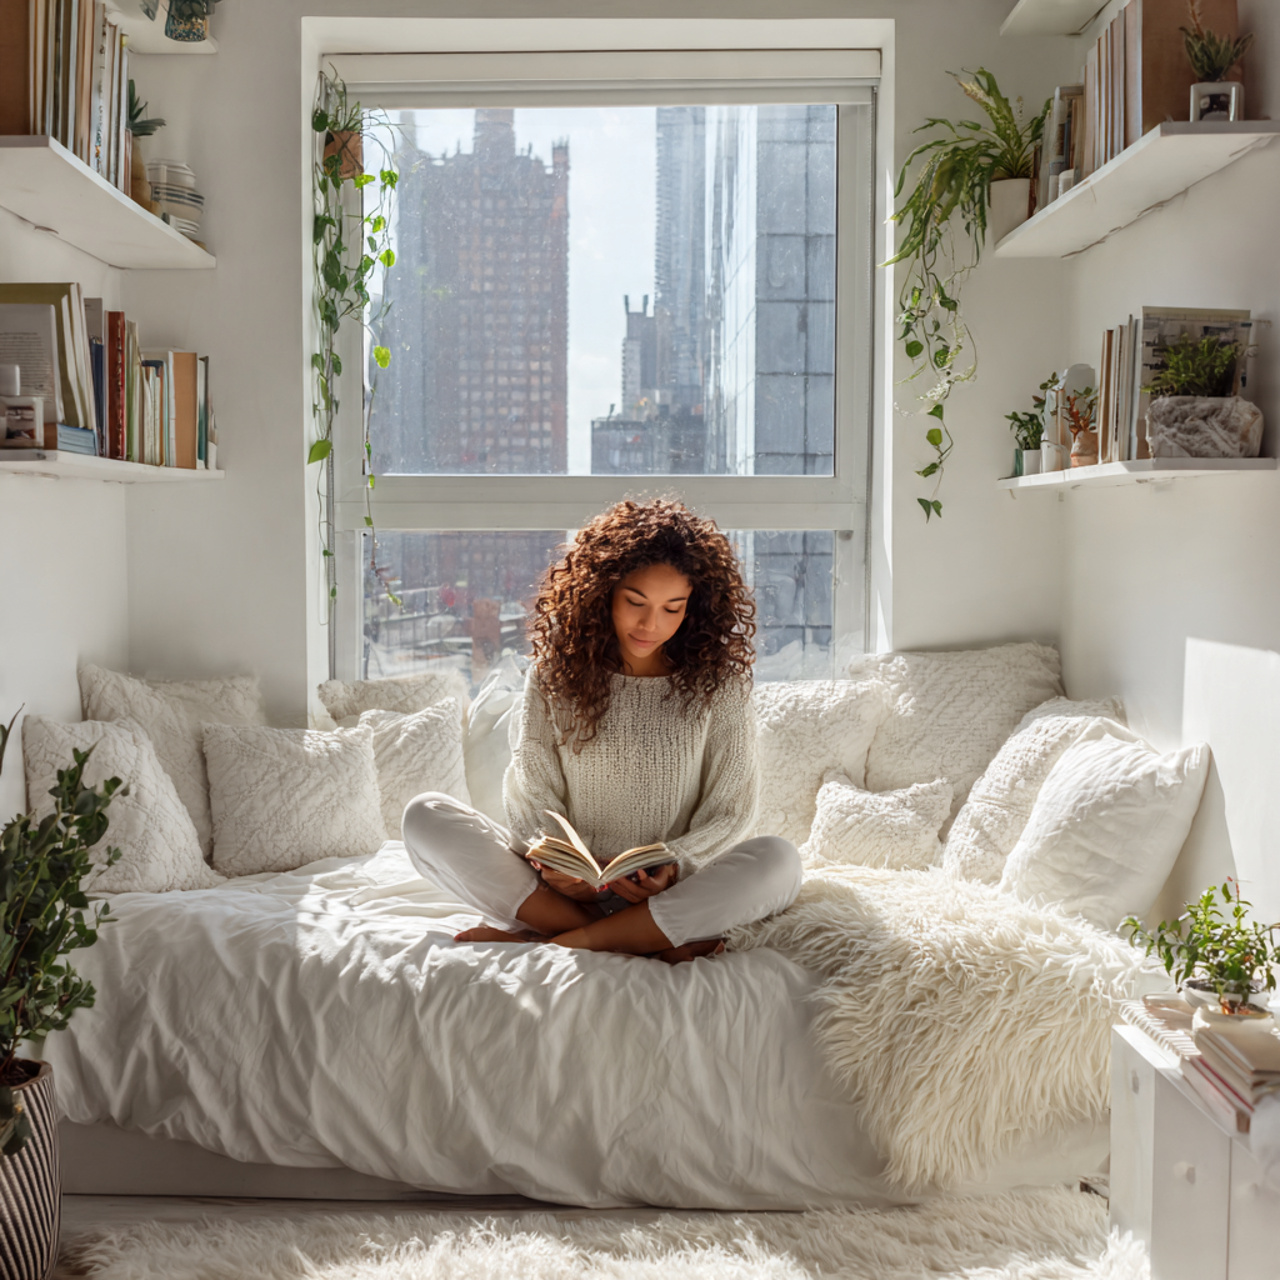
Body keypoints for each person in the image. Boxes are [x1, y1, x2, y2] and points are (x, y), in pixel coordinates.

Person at [402, 498, 802, 963]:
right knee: (424, 815)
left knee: (780, 861)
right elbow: (533, 786)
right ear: (601, 592)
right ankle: (633, 938)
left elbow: (731, 809)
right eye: (635, 602)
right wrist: (549, 860)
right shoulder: (554, 673)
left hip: (668, 894)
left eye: (673, 608)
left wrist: (674, 864)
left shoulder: (720, 684)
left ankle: (566, 940)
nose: (652, 624)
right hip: (563, 893)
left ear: (695, 608)